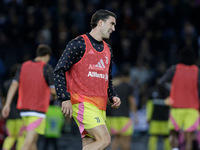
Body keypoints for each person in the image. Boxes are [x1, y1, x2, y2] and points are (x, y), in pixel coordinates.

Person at [54, 9, 121, 150]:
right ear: (100, 23)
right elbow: (59, 70)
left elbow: (107, 78)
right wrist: (64, 98)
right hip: (82, 103)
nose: (114, 29)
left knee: (91, 145)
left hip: (100, 106)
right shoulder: (78, 43)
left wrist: (113, 95)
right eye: (112, 24)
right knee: (104, 140)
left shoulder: (108, 49)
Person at [2, 44, 57, 150]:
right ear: (47, 55)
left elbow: (14, 84)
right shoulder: (47, 68)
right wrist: (54, 97)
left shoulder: (23, 66)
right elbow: (53, 91)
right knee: (27, 144)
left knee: (32, 143)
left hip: (23, 111)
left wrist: (7, 104)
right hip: (37, 112)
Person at [158, 47, 200, 150]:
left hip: (176, 106)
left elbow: (160, 83)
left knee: (173, 132)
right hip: (192, 107)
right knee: (189, 136)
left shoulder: (174, 68)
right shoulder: (197, 71)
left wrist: (166, 97)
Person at [106, 68, 138, 150]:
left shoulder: (114, 87)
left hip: (115, 117)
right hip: (125, 118)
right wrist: (135, 116)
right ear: (128, 77)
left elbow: (109, 101)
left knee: (117, 139)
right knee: (126, 141)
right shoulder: (128, 87)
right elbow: (132, 101)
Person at [1, 63, 25, 150]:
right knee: (21, 137)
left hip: (9, 115)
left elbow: (3, 100)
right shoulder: (23, 85)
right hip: (21, 115)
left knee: (10, 137)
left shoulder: (6, 84)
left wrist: (3, 112)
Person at [146, 83, 171, 150]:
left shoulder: (169, 91)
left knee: (166, 137)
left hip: (165, 119)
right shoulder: (152, 91)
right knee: (153, 136)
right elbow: (149, 104)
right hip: (155, 119)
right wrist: (148, 117)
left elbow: (171, 106)